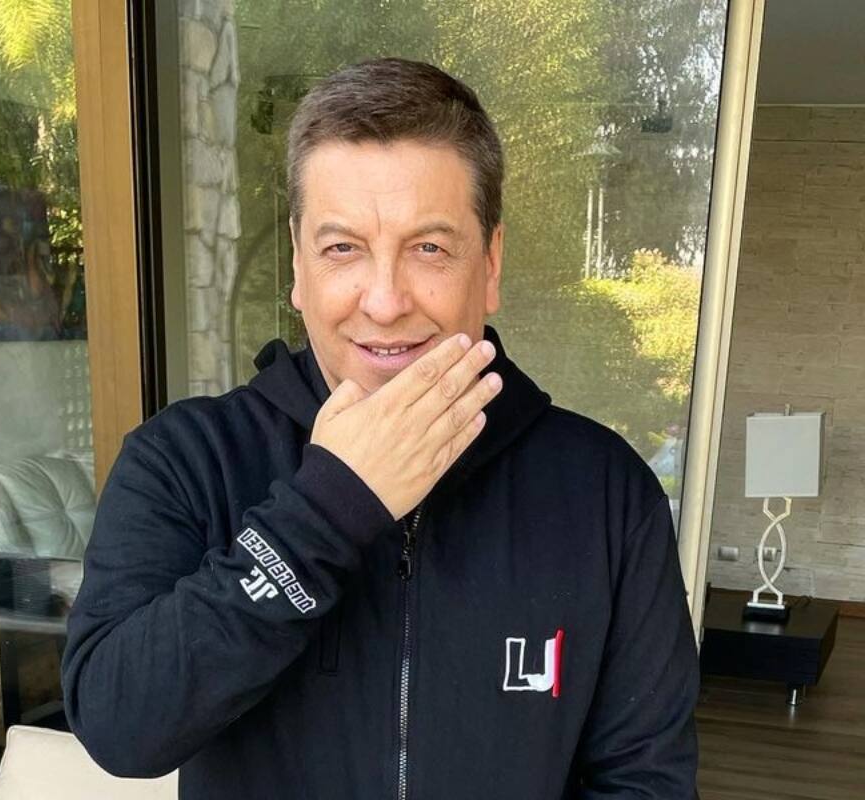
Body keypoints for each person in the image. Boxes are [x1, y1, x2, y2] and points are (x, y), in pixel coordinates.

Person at [63, 57, 699, 799]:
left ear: (490, 263)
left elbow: (645, 782)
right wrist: (324, 512)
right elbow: (118, 726)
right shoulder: (184, 460)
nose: (386, 301)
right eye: (343, 248)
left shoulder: (606, 493)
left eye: (429, 248)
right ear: (299, 265)